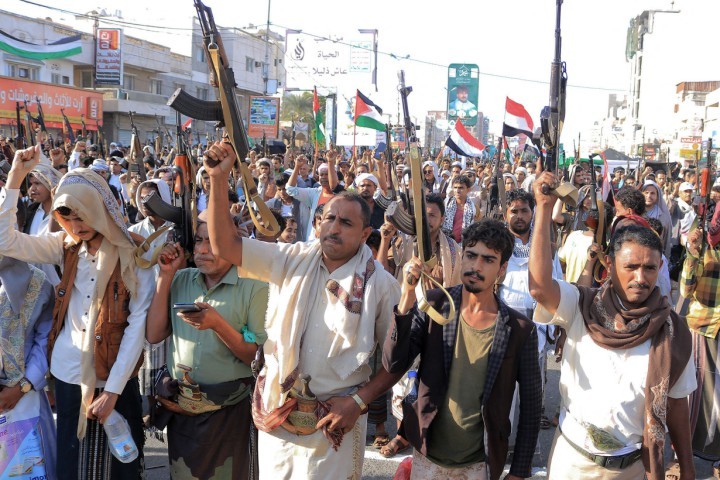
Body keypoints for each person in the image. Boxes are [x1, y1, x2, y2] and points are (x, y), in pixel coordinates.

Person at [203, 141, 402, 479]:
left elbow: (398, 358)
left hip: (334, 421)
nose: (334, 228)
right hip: (279, 412)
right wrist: (218, 180)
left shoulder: (380, 285)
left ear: (366, 233)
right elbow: (225, 246)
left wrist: (357, 402)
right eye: (329, 219)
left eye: (346, 223)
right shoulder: (292, 258)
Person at [529, 171, 696, 480]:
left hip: (633, 467)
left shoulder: (672, 331)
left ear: (660, 268)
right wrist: (542, 208)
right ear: (609, 264)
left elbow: (676, 405)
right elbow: (539, 287)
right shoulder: (581, 306)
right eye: (630, 267)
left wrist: (687, 469)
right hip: (573, 463)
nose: (640, 277)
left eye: (649, 268)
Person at [0, 145, 154, 479]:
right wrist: (15, 177)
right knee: (74, 468)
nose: (74, 223)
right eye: (65, 215)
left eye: (81, 213)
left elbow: (136, 326)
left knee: (119, 467)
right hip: (67, 377)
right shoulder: (65, 247)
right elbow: (6, 242)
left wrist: (111, 391)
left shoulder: (135, 255)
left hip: (114, 377)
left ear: (99, 207)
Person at [384, 219, 541, 480]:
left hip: (479, 463)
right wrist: (406, 296)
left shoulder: (519, 328)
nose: (476, 267)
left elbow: (532, 405)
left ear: (502, 268)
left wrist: (519, 471)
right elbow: (394, 363)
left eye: (488, 260)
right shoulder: (435, 306)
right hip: (427, 455)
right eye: (471, 255)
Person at [146, 211, 268, 479]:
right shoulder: (181, 279)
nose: (202, 250)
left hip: (230, 412)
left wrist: (217, 324)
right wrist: (165, 276)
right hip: (183, 408)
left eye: (212, 243)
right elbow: (154, 335)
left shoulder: (254, 286)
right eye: (199, 241)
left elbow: (255, 356)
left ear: (233, 245)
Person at [0, 256, 56, 477]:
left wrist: (23, 386)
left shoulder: (37, 283)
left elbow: (46, 341)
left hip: (25, 396)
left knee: (32, 467)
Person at [443, 174, 477, 244]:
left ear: (468, 189)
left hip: (464, 244)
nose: (457, 190)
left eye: (461, 188)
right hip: (445, 243)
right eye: (455, 187)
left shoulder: (474, 208)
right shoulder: (446, 204)